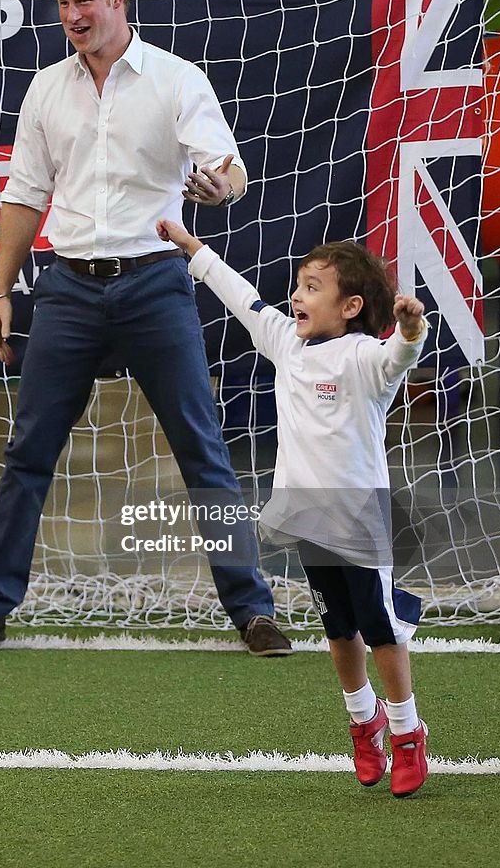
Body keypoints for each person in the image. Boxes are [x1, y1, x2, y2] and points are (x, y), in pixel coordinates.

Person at [0, 0, 291, 658]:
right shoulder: (46, 88)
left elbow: (230, 170)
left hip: (156, 283)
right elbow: (24, 196)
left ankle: (252, 610)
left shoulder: (174, 79)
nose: (72, 16)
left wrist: (221, 187)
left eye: (84, 2)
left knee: (203, 450)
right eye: (63, 4)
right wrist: (2, 291)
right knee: (27, 451)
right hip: (66, 288)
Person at [156, 219, 429, 798]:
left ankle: (407, 732)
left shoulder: (363, 359)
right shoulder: (286, 342)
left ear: (351, 305)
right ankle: (364, 723)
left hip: (360, 522)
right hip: (308, 519)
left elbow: (398, 358)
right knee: (338, 629)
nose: (296, 296)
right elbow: (241, 297)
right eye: (298, 285)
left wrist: (410, 329)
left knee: (380, 629)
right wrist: (192, 248)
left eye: (312, 287)